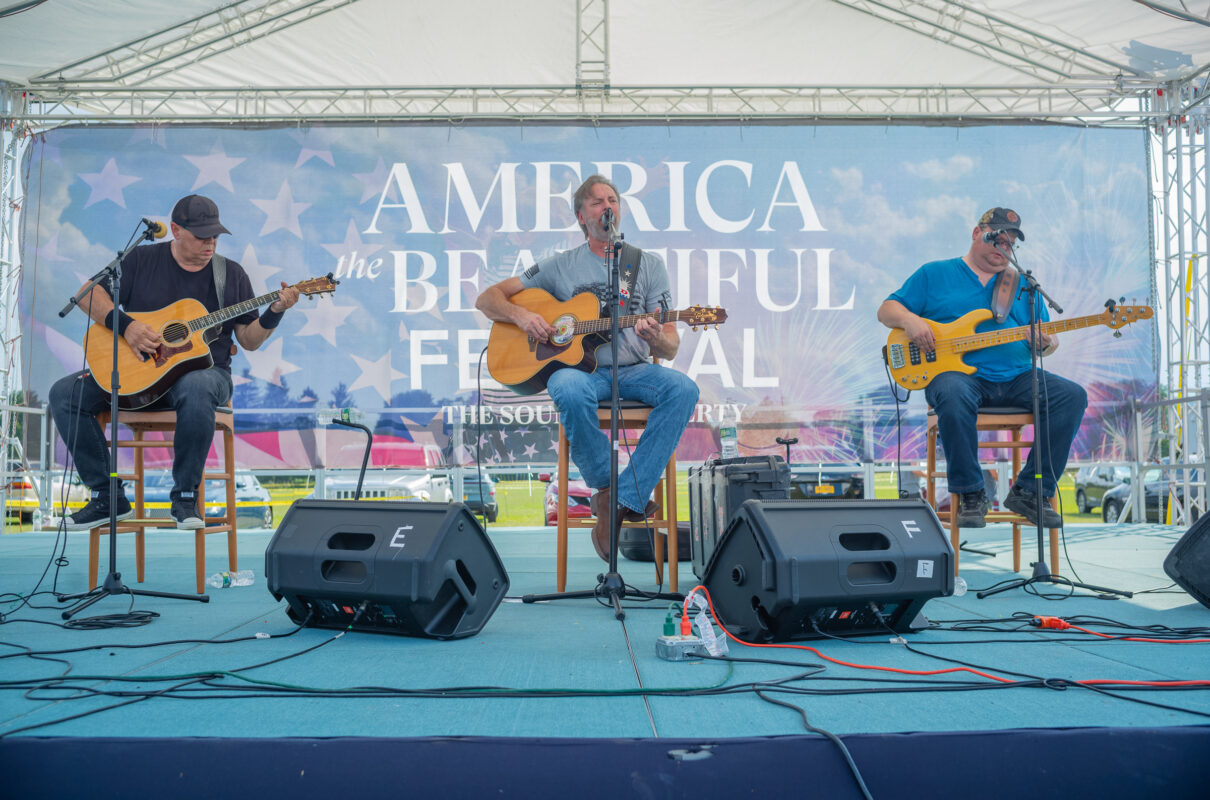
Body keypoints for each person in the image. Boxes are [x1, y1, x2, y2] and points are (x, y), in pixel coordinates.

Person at [475, 175, 699, 560]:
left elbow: (671, 344)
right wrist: (522, 315)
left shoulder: (646, 265)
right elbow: (487, 298)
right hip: (585, 374)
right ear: (582, 215)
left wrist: (654, 339)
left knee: (683, 389)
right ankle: (607, 490)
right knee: (565, 384)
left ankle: (623, 497)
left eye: (612, 199)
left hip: (633, 370)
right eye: (596, 202)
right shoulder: (559, 266)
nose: (606, 206)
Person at [49, 194, 300, 531]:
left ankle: (184, 496)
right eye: (202, 235)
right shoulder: (140, 259)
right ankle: (107, 496)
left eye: (215, 236)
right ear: (176, 230)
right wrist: (128, 327)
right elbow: (87, 294)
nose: (210, 243)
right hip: (139, 377)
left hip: (204, 377)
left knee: (195, 385)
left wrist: (275, 312)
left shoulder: (231, 274)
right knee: (65, 393)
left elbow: (249, 341)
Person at [877, 207, 1087, 528]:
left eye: (1010, 243)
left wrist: (1046, 343)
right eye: (996, 239)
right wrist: (911, 321)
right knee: (951, 391)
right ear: (977, 234)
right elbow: (887, 309)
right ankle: (972, 493)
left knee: (1071, 396)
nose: (1002, 248)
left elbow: (1048, 338)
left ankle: (1031, 490)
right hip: (959, 378)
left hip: (1016, 377)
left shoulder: (1022, 285)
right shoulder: (934, 274)